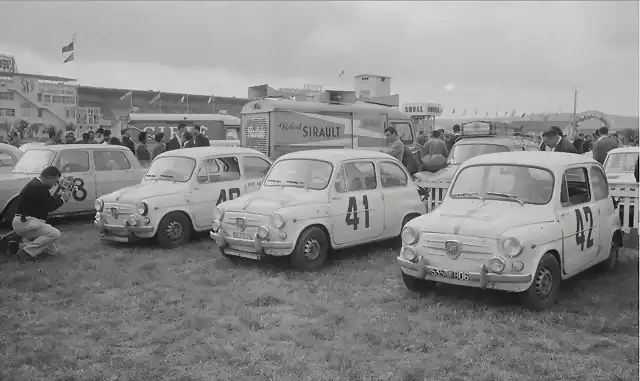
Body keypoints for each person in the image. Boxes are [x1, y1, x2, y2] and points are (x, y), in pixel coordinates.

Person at [7, 166, 71, 262]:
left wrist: (60, 194)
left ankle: (16, 244)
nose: (54, 185)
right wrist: (63, 199)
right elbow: (50, 206)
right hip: (27, 222)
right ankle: (25, 253)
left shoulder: (36, 185)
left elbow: (48, 201)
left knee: (53, 252)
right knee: (54, 234)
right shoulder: (38, 187)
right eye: (55, 181)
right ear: (49, 177)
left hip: (25, 222)